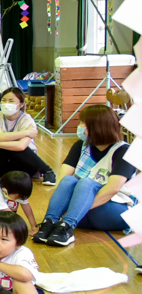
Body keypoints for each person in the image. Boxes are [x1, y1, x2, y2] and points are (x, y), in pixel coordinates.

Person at [34, 104, 137, 247]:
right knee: (69, 180)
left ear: (98, 127)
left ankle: (67, 226)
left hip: (115, 207)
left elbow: (113, 188)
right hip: (81, 210)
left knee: (85, 183)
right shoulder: (81, 145)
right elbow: (63, 179)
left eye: (83, 123)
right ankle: (49, 223)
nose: (79, 127)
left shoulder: (124, 151)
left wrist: (77, 208)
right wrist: (72, 208)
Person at [0, 87, 56, 184]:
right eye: (4, 100)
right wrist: (26, 132)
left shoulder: (27, 120)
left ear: (21, 104)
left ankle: (48, 171)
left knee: (15, 148)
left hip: (22, 165)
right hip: (0, 167)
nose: (6, 103)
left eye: (11, 101)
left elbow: (21, 146)